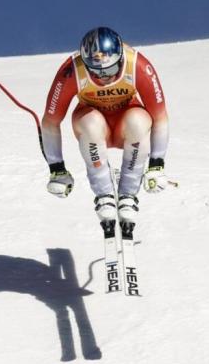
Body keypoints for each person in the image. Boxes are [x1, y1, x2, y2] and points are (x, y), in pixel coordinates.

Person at [41, 27, 170, 225]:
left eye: (110, 70)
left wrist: (157, 165)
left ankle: (128, 193)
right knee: (91, 123)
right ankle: (104, 194)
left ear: (119, 59)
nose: (104, 78)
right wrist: (57, 169)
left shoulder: (136, 65)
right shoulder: (72, 71)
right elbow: (51, 121)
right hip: (93, 125)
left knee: (138, 121)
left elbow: (160, 117)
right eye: (95, 71)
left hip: (125, 126)